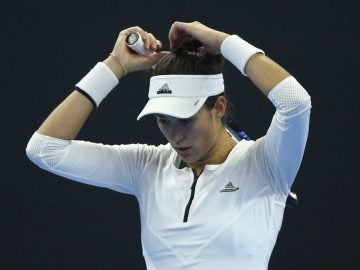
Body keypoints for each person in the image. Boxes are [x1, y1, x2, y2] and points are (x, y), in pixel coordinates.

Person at [26, 21, 311, 270]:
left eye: (185, 120)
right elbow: (44, 149)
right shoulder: (146, 166)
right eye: (164, 120)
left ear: (219, 106)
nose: (175, 135)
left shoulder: (265, 164)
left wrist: (225, 43)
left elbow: (295, 103)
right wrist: (116, 65)